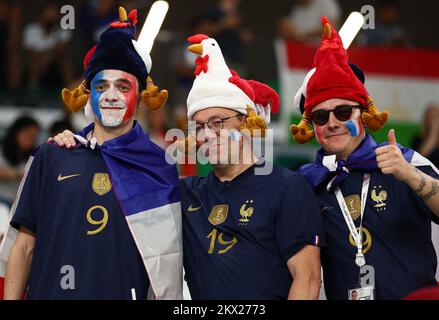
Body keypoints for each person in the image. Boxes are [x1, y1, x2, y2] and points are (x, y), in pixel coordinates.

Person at [51, 34, 325, 300]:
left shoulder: (288, 187)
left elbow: (308, 278)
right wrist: (81, 148)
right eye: (200, 126)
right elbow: (122, 182)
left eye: (218, 122)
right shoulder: (183, 192)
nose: (207, 134)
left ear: (246, 122)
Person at [0, 7, 182, 300]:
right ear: (89, 93)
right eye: (101, 86)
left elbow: (167, 264)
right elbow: (24, 246)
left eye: (123, 86)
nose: (111, 95)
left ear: (140, 96)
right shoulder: (52, 155)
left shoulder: (159, 167)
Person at [291, 17, 439, 300]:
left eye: (344, 112)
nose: (333, 123)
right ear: (312, 127)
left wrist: (410, 175)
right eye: (321, 117)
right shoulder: (307, 183)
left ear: (363, 115)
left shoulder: (404, 160)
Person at [0, 116, 40, 204]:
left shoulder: (35, 156)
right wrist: (19, 174)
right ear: (16, 132)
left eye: (33, 137)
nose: (30, 140)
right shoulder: (2, 150)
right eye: (27, 135)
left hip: (19, 204)